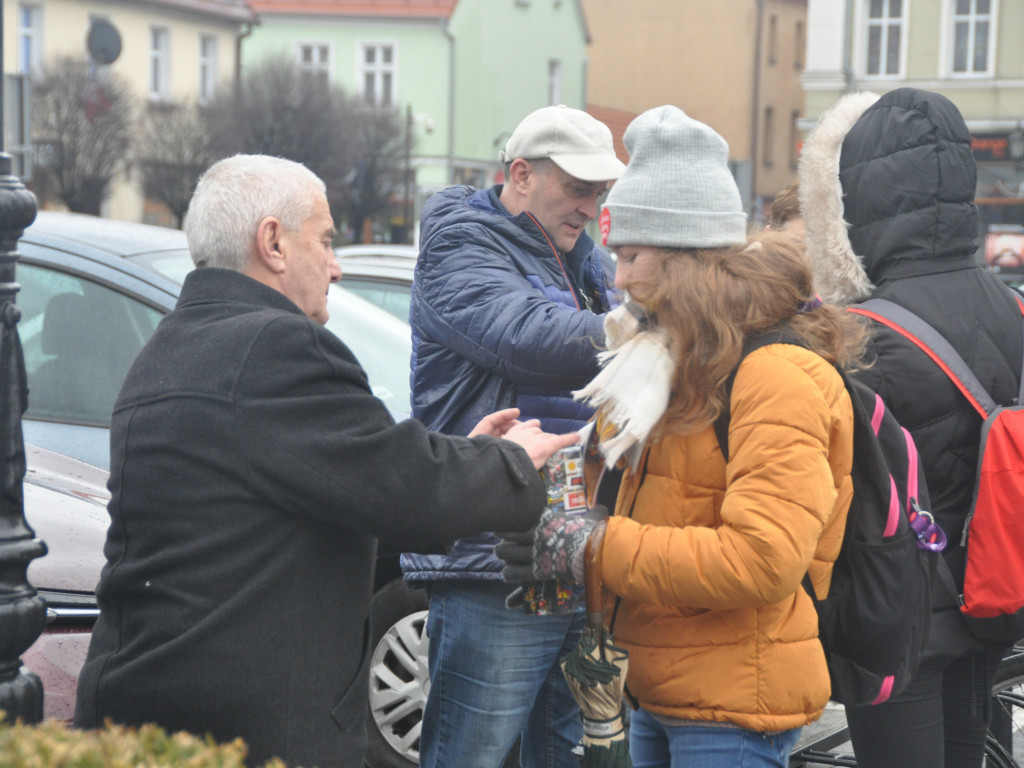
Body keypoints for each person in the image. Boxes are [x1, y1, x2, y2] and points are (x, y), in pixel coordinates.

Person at [73, 154, 579, 768]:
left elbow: (350, 485)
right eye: (327, 240)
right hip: (248, 728)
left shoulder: (172, 345)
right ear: (273, 243)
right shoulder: (276, 347)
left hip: (150, 707)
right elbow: (403, 484)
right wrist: (511, 463)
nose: (337, 268)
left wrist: (469, 455)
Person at [496, 105, 867, 768]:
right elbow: (640, 500)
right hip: (662, 688)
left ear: (689, 261)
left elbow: (763, 559)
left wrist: (594, 545)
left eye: (632, 255)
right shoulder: (670, 358)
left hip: (734, 708)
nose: (618, 279)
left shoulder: (776, 372)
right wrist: (544, 495)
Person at [798, 87, 1023, 768]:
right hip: (993, 598)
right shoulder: (1013, 308)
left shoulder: (862, 334)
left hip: (897, 627)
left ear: (857, 193)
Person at [400, 104, 626, 767]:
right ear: (520, 174)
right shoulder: (460, 247)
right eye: (578, 187)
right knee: (469, 755)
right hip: (490, 564)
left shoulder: (582, 262)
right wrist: (654, 325)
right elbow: (531, 336)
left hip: (569, 551)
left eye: (600, 192)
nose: (590, 206)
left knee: (560, 754)